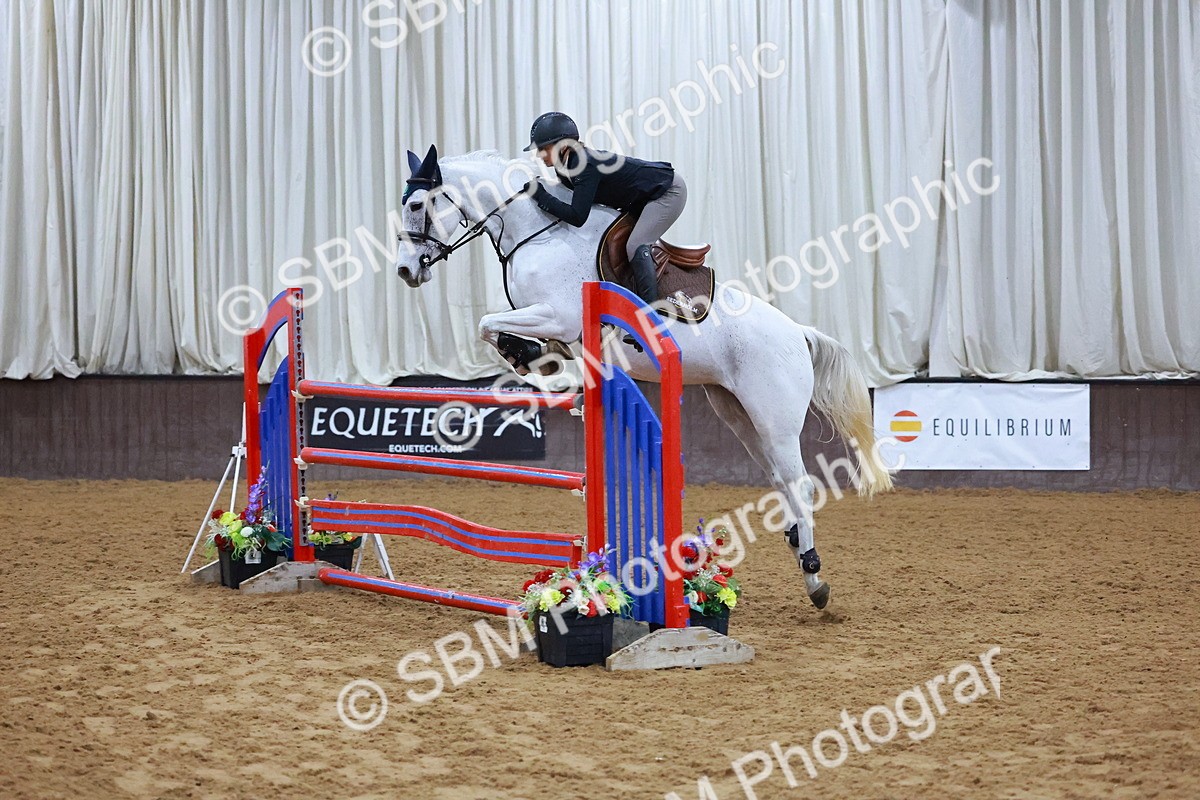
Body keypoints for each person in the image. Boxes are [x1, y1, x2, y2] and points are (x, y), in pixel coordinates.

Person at [522, 111, 687, 304]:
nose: (539, 154)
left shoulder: (583, 163)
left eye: (543, 148)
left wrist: (541, 195)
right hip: (641, 198)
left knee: (635, 244)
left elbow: (577, 216)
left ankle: (650, 315)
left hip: (667, 191)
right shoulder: (564, 167)